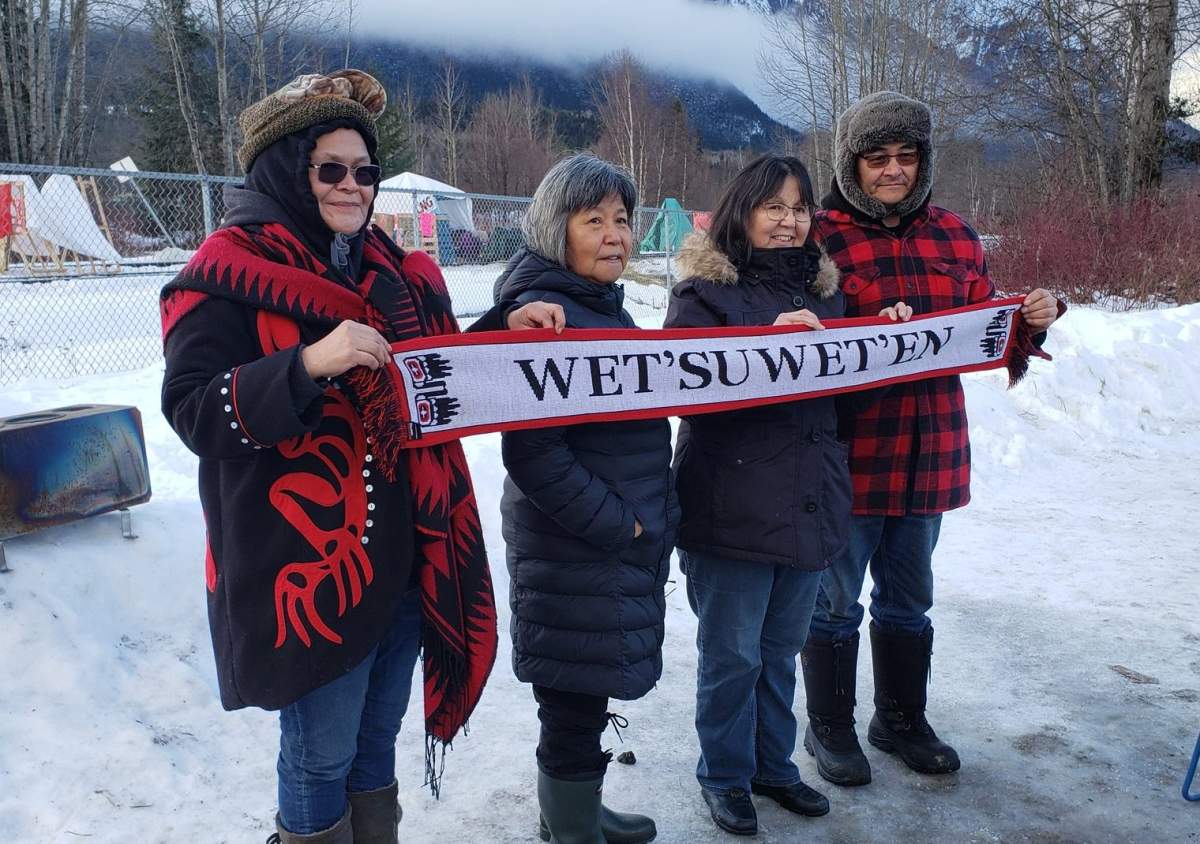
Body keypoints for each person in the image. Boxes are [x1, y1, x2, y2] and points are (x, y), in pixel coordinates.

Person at [160, 70, 562, 844]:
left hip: (410, 553)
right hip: (305, 567)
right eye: (331, 169)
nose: (354, 186)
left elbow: (425, 375)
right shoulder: (225, 273)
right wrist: (308, 365)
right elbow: (192, 410)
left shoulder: (393, 269)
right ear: (285, 169)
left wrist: (505, 327)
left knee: (376, 747)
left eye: (366, 171)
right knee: (320, 758)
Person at [803, 90, 1063, 788]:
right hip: (849, 452)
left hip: (930, 451)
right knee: (832, 603)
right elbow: (790, 337)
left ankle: (900, 719)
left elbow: (987, 328)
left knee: (908, 599)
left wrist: (1031, 317)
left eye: (906, 155)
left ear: (923, 161)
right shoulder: (816, 235)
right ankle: (827, 727)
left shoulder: (956, 234)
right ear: (850, 164)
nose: (893, 170)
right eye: (876, 158)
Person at [663, 154, 910, 837]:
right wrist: (757, 352)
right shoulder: (701, 294)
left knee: (780, 650)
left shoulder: (829, 295)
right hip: (731, 506)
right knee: (733, 655)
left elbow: (844, 406)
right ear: (744, 210)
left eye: (799, 208)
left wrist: (884, 348)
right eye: (774, 206)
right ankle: (724, 775)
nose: (788, 219)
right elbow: (688, 392)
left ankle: (773, 765)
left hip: (810, 501)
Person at [497, 153, 677, 844]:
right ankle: (569, 830)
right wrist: (620, 525)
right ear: (555, 231)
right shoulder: (546, 317)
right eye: (593, 220)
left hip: (602, 548)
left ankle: (575, 811)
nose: (614, 235)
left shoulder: (600, 307)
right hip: (576, 547)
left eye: (623, 220)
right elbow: (534, 453)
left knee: (583, 691)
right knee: (570, 700)